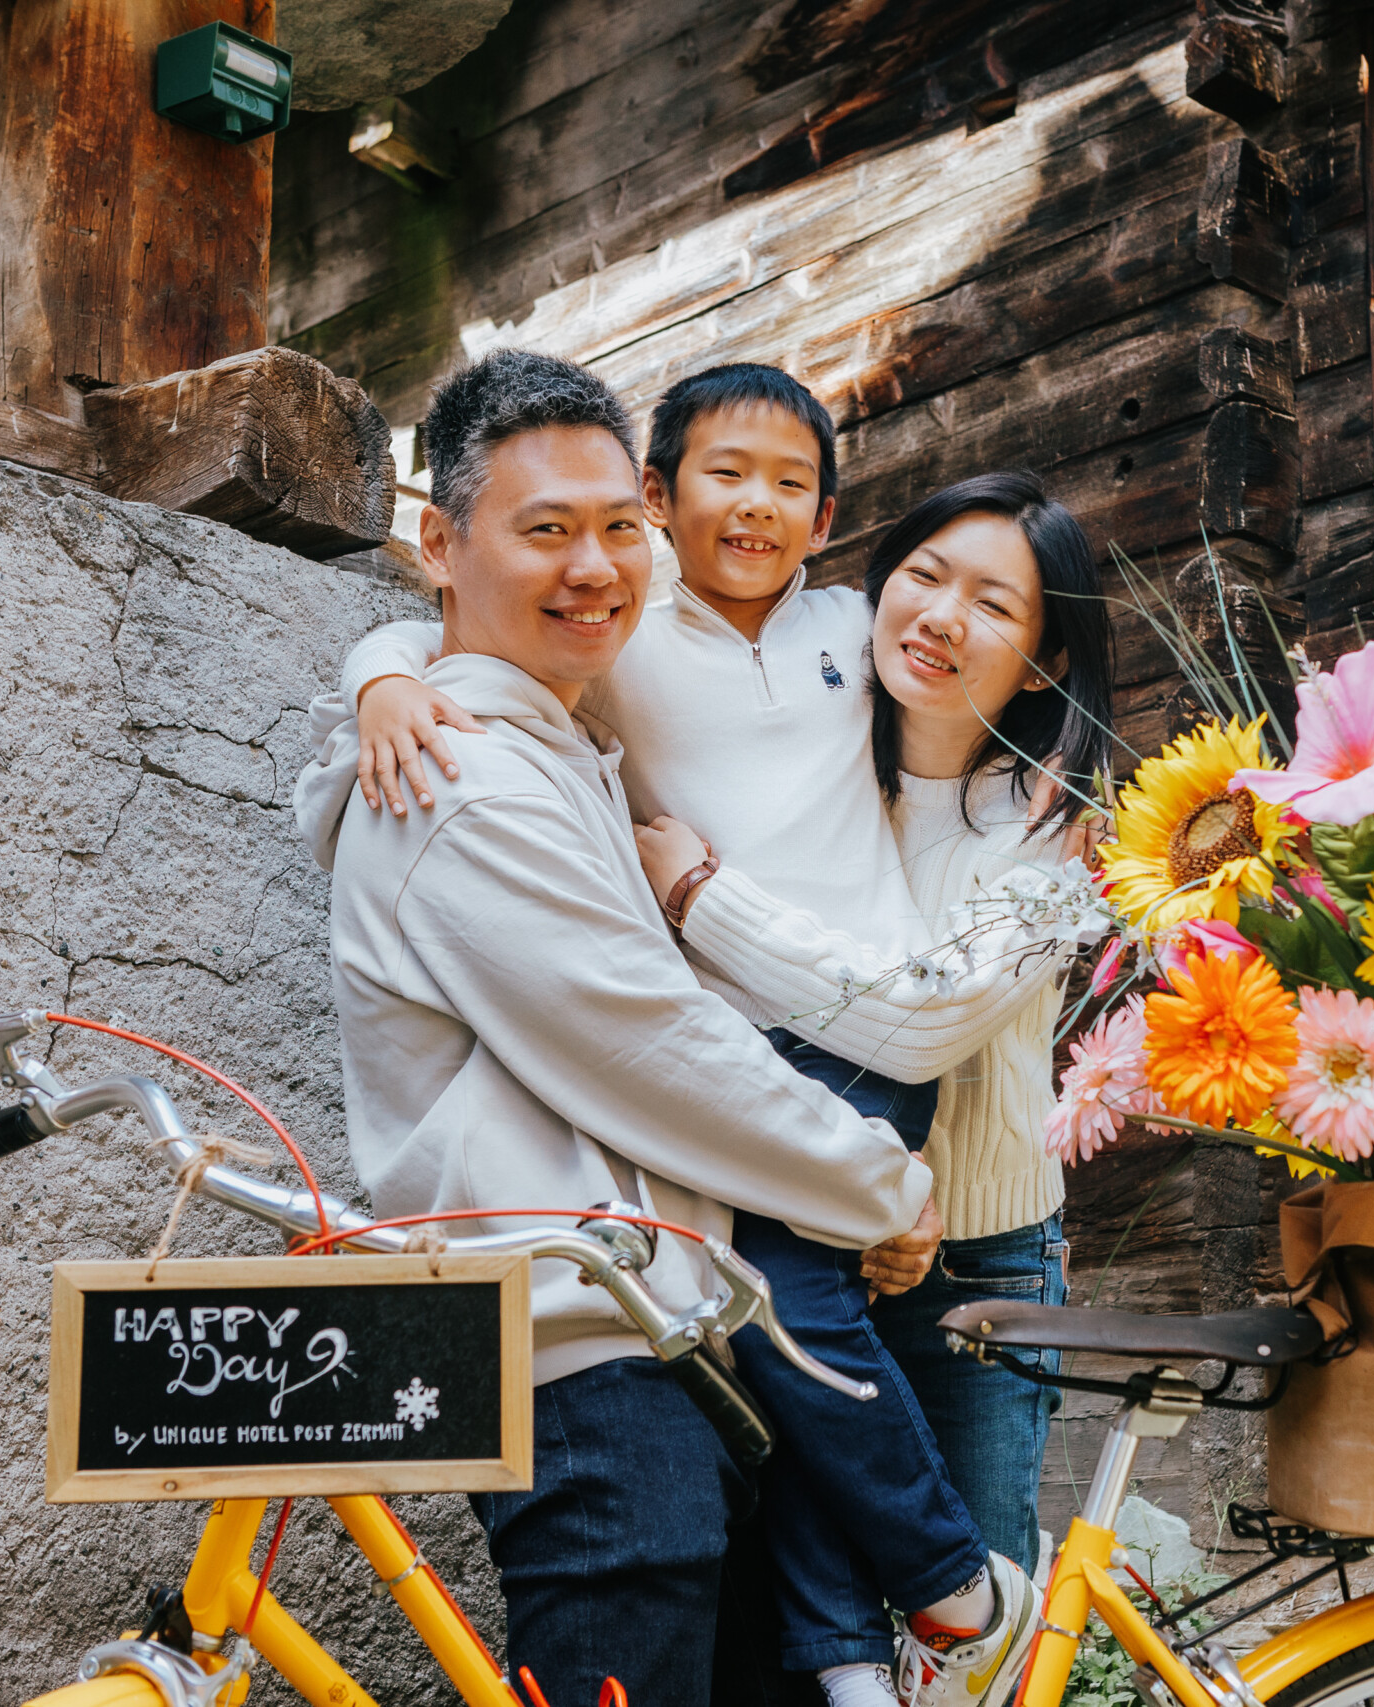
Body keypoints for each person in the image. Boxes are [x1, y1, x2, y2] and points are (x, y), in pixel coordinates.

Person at [322, 364, 1044, 1707]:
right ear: (440, 540)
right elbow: (648, 1042)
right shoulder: (462, 777)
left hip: (651, 1325)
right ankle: (957, 1593)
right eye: (546, 529)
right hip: (578, 1353)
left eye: (613, 531)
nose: (594, 565)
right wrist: (874, 1179)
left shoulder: (560, 734)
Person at [641, 471, 1111, 1617]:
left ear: (1046, 659)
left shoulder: (1064, 833)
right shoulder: (809, 733)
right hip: (797, 1225)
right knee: (815, 1625)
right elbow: (583, 578)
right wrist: (390, 668)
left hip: (975, 1266)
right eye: (925, 576)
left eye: (995, 606)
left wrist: (703, 895)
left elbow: (918, 1023)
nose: (944, 617)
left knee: (969, 1622)